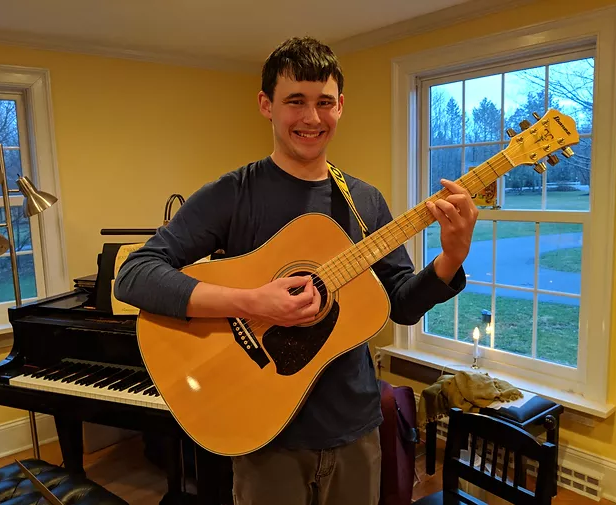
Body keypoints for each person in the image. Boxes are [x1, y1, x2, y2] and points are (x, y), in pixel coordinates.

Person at [114, 36, 478, 505]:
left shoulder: (364, 200)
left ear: (340, 106)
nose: (311, 118)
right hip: (265, 433)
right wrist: (253, 302)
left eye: (324, 102)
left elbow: (400, 305)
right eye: (295, 101)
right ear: (266, 105)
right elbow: (136, 274)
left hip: (354, 427)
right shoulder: (234, 193)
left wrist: (451, 258)